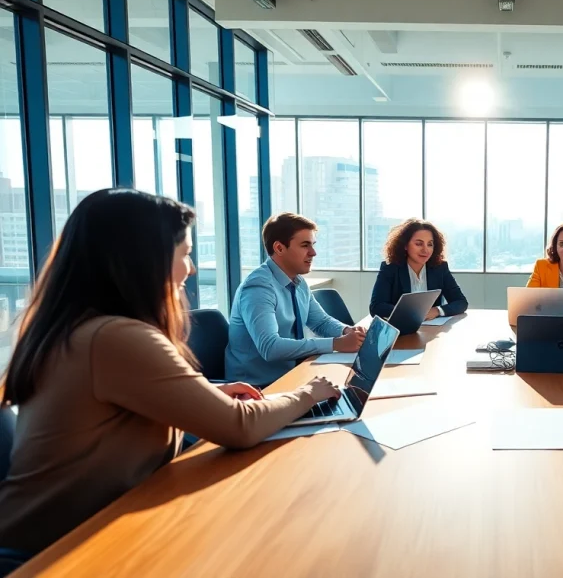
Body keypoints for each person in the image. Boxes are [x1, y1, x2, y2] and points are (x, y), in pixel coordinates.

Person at [0, 190, 342, 556]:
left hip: (85, 528)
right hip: (56, 553)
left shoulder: (79, 328)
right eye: (186, 254)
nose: (191, 269)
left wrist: (207, 392)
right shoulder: (115, 337)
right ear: (145, 259)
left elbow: (124, 403)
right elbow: (238, 427)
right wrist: (308, 394)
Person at [225, 213, 365, 387]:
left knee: (354, 388)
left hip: (294, 376)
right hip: (259, 388)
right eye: (305, 245)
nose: (313, 252)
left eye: (312, 245)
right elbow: (270, 347)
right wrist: (336, 343)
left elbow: (320, 322)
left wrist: (346, 331)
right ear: (279, 248)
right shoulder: (257, 288)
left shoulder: (297, 281)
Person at [369, 219, 468, 320]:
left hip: (432, 329)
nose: (425, 250)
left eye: (430, 244)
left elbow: (461, 302)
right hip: (401, 329)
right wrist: (412, 313)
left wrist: (436, 311)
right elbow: (376, 307)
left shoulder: (440, 268)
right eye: (419, 244)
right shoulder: (390, 268)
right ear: (405, 245)